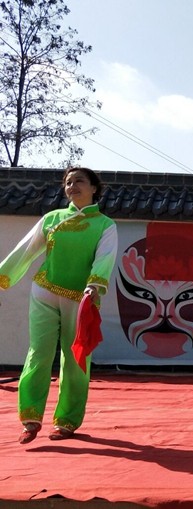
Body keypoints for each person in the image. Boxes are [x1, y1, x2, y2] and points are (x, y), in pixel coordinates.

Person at [0, 167, 118, 444]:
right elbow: (26, 249)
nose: (72, 186)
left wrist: (94, 285)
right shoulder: (52, 218)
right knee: (38, 352)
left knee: (76, 358)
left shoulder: (105, 225)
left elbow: (105, 257)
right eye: (68, 182)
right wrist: (3, 276)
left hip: (82, 298)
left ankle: (67, 420)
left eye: (79, 181)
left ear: (94, 188)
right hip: (45, 290)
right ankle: (30, 418)